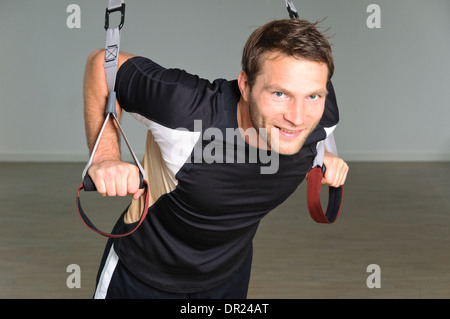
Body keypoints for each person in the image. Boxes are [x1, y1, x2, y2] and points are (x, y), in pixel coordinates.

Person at [83, 18, 349, 299]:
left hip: (228, 277)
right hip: (142, 275)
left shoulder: (322, 117)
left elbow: (310, 128)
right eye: (280, 94)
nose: (297, 118)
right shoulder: (186, 110)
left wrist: (323, 154)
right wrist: (105, 157)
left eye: (312, 96)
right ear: (245, 85)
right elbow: (103, 65)